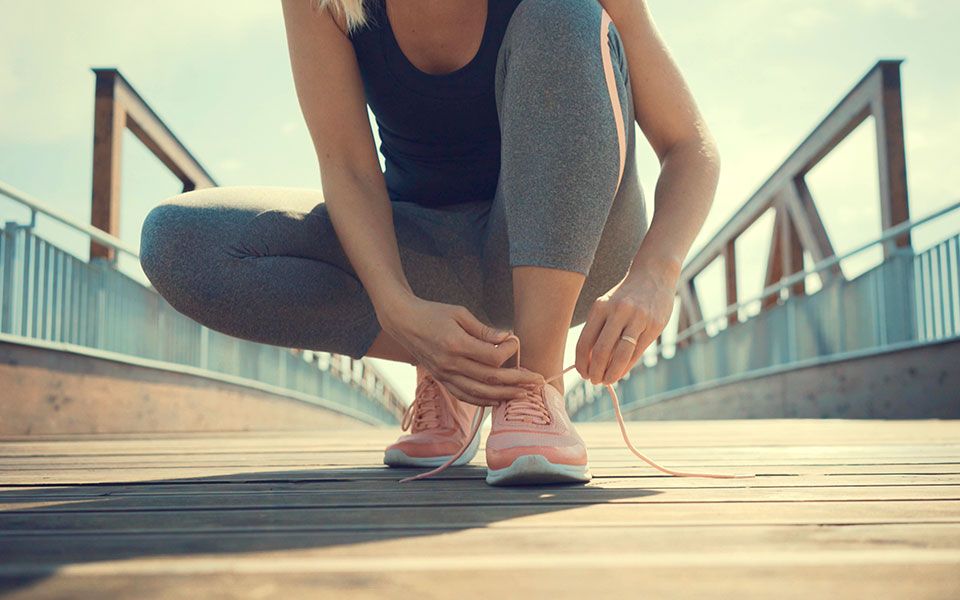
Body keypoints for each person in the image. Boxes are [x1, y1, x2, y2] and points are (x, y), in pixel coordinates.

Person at [138, 0, 720, 486]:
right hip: (425, 254)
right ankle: (459, 362)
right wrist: (401, 309)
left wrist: (656, 275)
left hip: (575, 245)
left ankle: (533, 387)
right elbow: (347, 168)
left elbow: (690, 148)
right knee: (180, 242)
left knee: (561, 9)